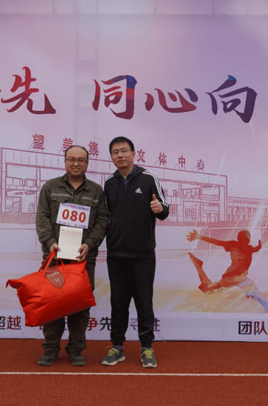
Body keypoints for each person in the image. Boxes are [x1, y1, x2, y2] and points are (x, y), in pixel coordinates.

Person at [35, 145, 108, 366]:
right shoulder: (50, 187)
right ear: (65, 161)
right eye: (71, 159)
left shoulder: (96, 191)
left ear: (87, 163)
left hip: (83, 259)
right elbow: (42, 219)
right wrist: (50, 242)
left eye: (81, 160)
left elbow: (102, 222)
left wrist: (89, 244)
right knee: (53, 304)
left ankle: (76, 350)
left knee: (80, 306)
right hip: (55, 257)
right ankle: (50, 349)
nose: (76, 163)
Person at [101, 136, 169, 369]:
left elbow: (164, 210)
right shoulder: (109, 183)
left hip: (143, 255)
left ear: (133, 153)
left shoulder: (149, 178)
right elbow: (105, 216)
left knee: (144, 303)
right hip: (116, 254)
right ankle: (117, 347)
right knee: (118, 303)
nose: (120, 155)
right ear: (111, 157)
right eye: (115, 152)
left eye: (124, 151)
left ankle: (147, 348)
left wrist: (160, 208)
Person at [186, 229, 268, 313]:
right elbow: (255, 249)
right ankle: (198, 265)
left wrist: (199, 236)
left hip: (238, 277)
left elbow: (217, 242)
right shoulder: (248, 248)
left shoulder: (237, 245)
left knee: (253, 291)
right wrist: (259, 246)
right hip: (233, 278)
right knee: (207, 289)